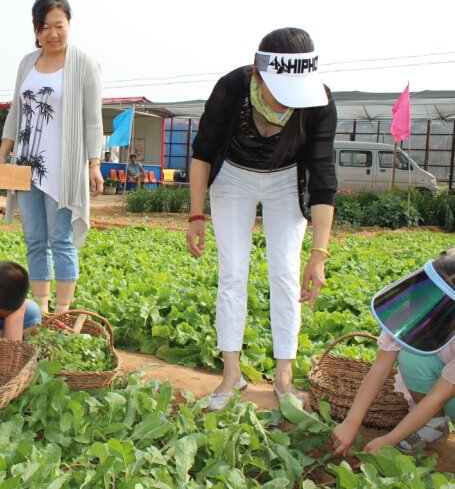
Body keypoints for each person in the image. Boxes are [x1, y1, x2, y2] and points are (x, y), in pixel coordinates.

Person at [186, 27, 337, 411]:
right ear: (258, 75)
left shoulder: (319, 103)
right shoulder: (232, 88)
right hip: (233, 177)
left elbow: (322, 179)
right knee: (233, 273)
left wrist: (319, 253)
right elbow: (202, 151)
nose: (288, 104)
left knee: (285, 273)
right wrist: (196, 213)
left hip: (287, 181)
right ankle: (231, 376)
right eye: (281, 92)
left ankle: (284, 377)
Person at [0, 0, 103, 316]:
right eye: (45, 27)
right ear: (36, 29)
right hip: (25, 165)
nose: (52, 33)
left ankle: (63, 310)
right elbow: (16, 111)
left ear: (69, 24)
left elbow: (92, 118)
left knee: (61, 238)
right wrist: (3, 157)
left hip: (63, 168)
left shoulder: (84, 64)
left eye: (59, 25)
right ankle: (41, 308)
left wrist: (94, 164)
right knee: (34, 239)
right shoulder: (27, 63)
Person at [332, 249, 455, 456]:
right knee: (412, 358)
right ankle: (435, 423)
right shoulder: (410, 307)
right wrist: (351, 422)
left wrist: (389, 440)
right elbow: (380, 368)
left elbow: (439, 397)